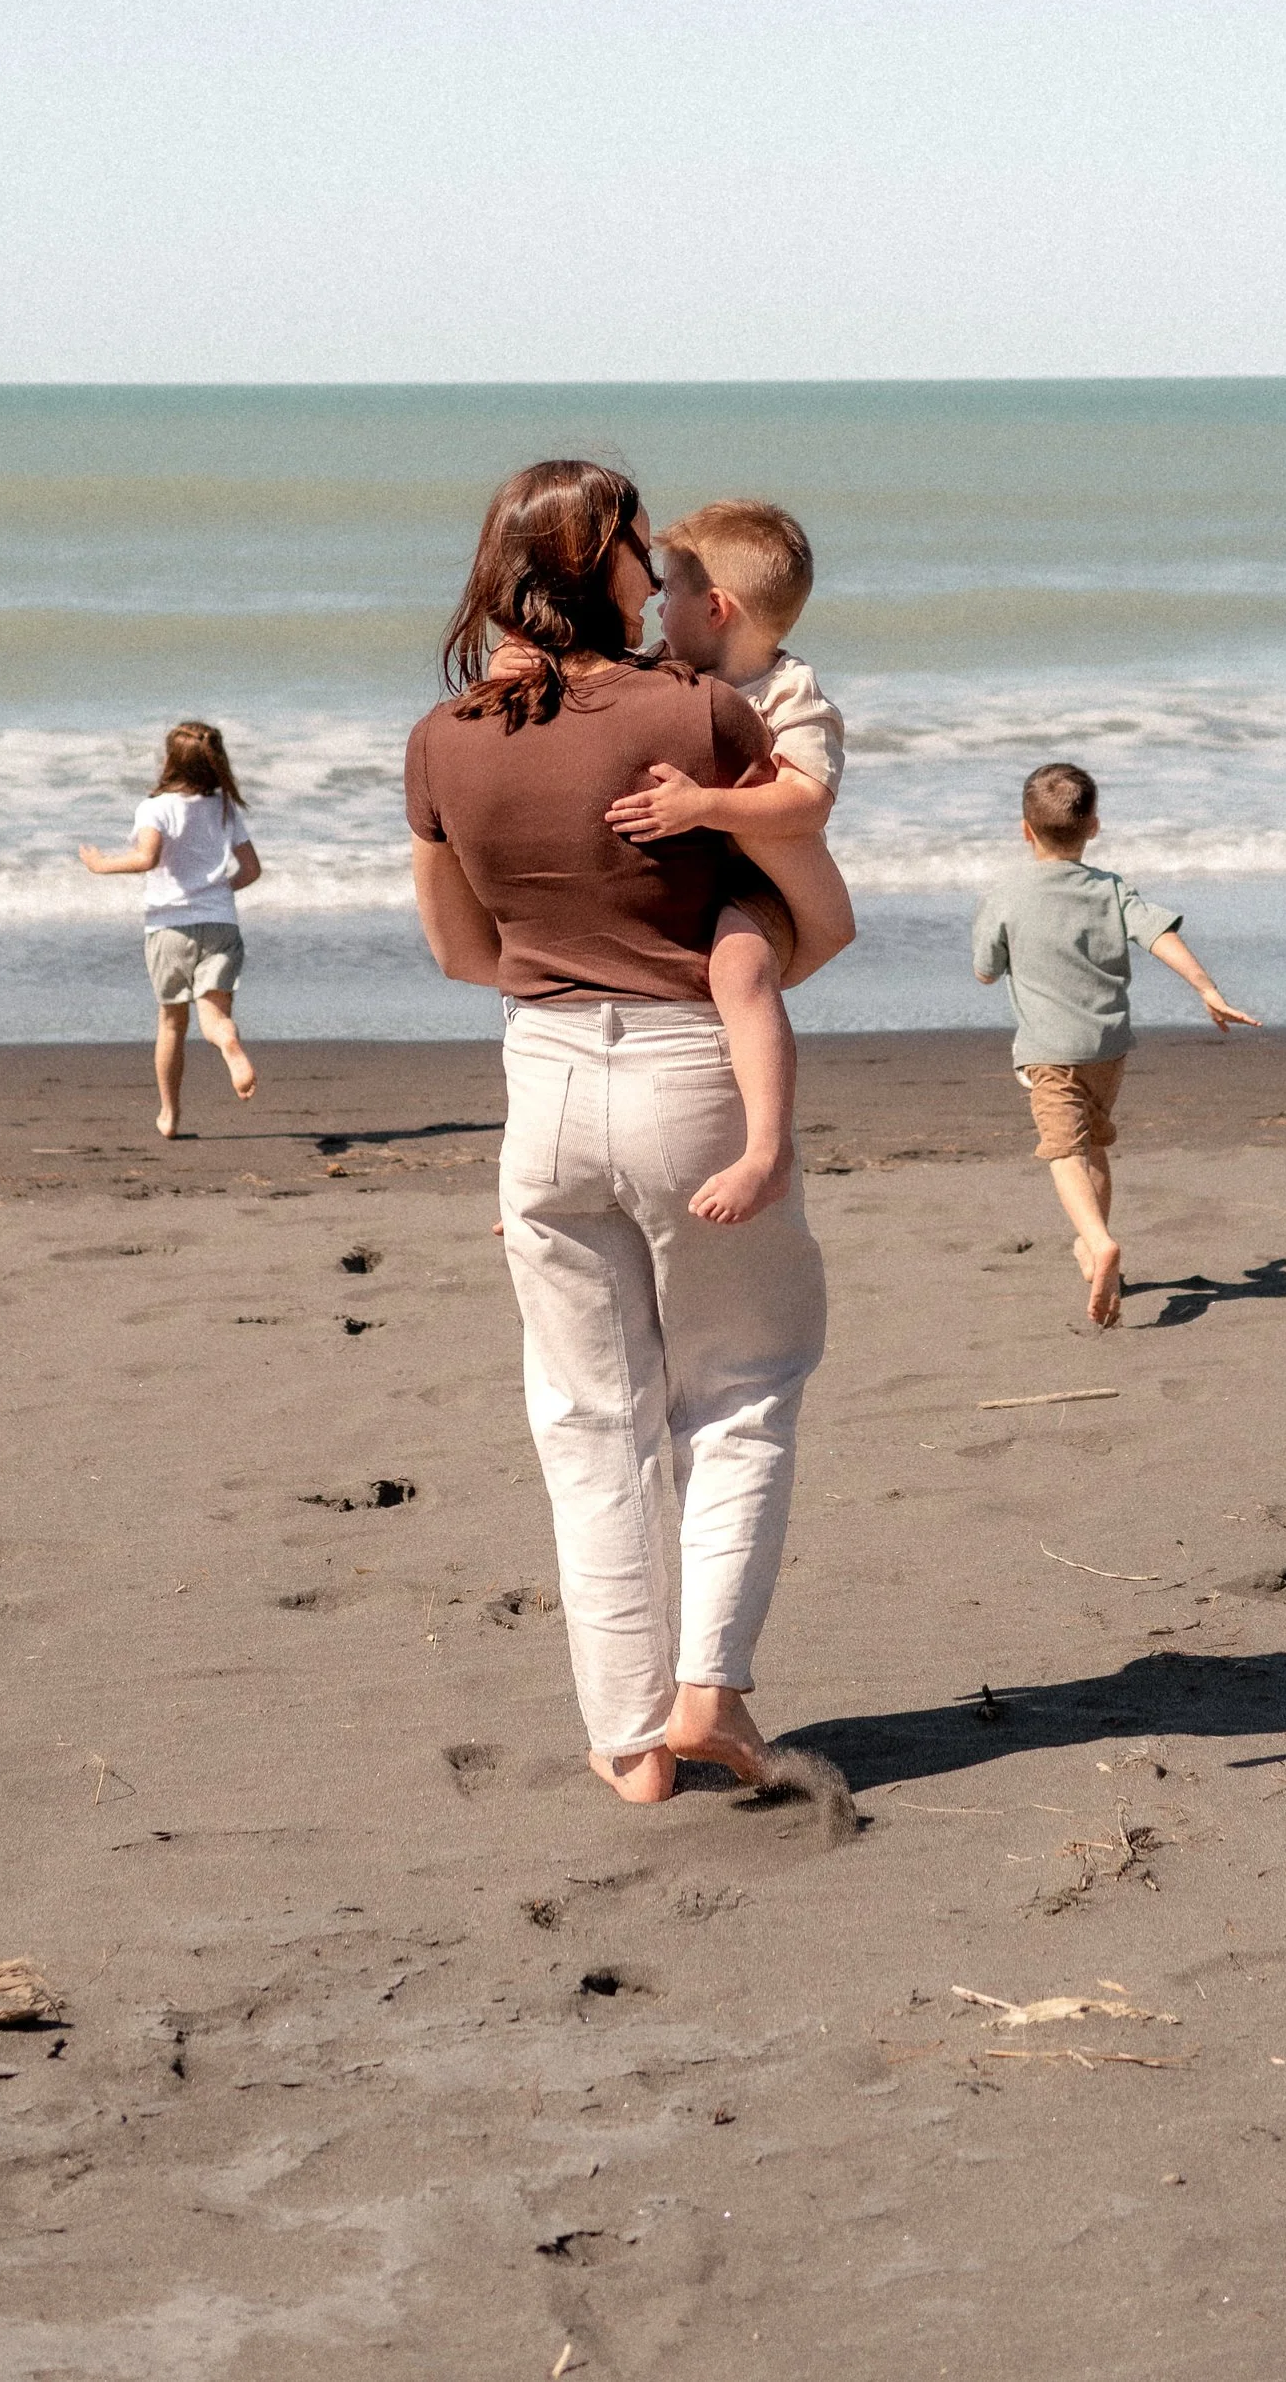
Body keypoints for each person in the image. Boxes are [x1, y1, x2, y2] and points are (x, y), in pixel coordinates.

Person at [406, 459, 853, 1804]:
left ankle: (626, 1743)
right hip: (689, 1067)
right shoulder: (705, 712)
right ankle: (711, 1688)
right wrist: (716, 948)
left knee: (587, 1421)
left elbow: (454, 949)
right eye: (638, 550)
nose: (657, 572)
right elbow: (823, 918)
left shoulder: (441, 739)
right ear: (601, 568)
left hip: (540, 1079)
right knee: (742, 1388)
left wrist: (569, 967)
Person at [599, 501, 851, 1226]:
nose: (654, 597)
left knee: (739, 968)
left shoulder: (789, 692)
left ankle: (766, 1151)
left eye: (669, 589)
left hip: (759, 885)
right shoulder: (661, 668)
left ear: (714, 608)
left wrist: (703, 806)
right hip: (687, 878)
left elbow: (807, 802)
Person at [970, 760, 1257, 1328]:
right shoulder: (1111, 889)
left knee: (1063, 1151)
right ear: (1093, 826)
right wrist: (1207, 988)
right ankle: (1089, 1245)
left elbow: (985, 970)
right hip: (1108, 1048)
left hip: (1049, 1052)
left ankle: (1099, 1242)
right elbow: (1160, 936)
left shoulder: (1006, 893)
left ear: (1024, 829)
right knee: (1093, 1143)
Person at [79, 719, 261, 1136]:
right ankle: (229, 1045)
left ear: (170, 761)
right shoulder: (223, 808)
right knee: (214, 1020)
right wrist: (216, 890)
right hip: (219, 924)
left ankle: (170, 1114)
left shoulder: (155, 807)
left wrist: (99, 864)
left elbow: (146, 858)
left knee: (172, 1024)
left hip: (169, 928)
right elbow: (250, 869)